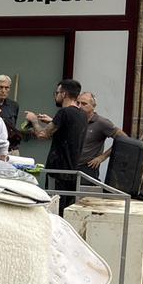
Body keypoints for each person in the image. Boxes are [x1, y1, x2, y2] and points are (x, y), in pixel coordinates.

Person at [25, 79, 88, 209]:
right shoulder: (82, 114)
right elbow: (68, 128)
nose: (56, 95)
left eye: (57, 92)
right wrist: (52, 121)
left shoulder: (63, 112)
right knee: (66, 207)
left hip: (57, 169)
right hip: (72, 169)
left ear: (64, 94)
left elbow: (42, 135)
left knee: (54, 207)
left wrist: (34, 120)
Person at [75, 91, 126, 180]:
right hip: (70, 166)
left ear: (93, 106)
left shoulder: (101, 122)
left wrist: (102, 157)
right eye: (78, 103)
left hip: (87, 167)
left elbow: (123, 139)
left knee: (84, 193)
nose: (79, 106)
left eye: (84, 104)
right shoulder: (75, 120)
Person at [0, 74, 22, 152]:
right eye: (0, 87)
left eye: (6, 88)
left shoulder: (14, 105)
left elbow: (13, 125)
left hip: (11, 148)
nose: (3, 91)